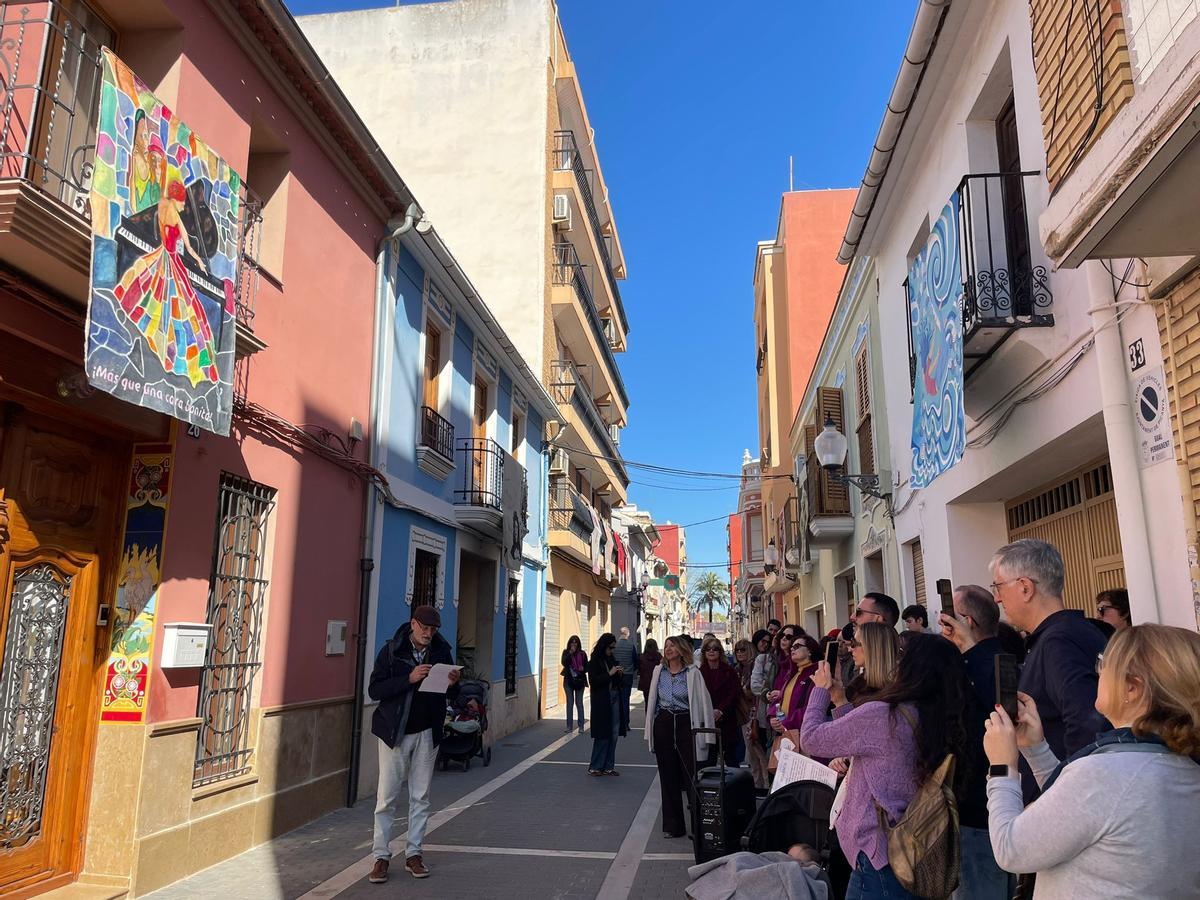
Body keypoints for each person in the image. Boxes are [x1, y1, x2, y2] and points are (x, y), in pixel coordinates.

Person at [983, 624, 1200, 898]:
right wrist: (1036, 750)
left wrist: (1002, 767)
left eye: (1104, 664)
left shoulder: (1107, 774)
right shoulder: (1178, 765)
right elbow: (1084, 814)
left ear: (1132, 688)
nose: (1097, 672)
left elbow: (1010, 849)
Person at [802, 634, 970, 900]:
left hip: (878, 852)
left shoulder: (884, 714)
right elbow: (873, 747)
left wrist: (820, 690)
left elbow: (811, 739)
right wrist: (841, 701)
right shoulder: (936, 716)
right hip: (914, 848)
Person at [989, 539, 1109, 797]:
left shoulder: (1058, 642)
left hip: (1066, 807)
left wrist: (1068, 801)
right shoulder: (1071, 633)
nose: (997, 598)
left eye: (998, 586)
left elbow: (1088, 724)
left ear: (1024, 588)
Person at [367, 605, 462, 883]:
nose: (428, 634)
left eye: (433, 630)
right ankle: (381, 857)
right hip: (396, 732)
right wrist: (408, 679)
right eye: (424, 628)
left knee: (421, 797)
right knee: (386, 798)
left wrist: (454, 683)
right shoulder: (392, 651)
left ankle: (414, 855)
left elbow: (450, 694)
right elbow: (375, 689)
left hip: (427, 732)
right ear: (413, 624)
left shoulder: (442, 652)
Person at [939, 585, 1011, 900]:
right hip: (973, 810)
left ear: (966, 621)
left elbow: (1005, 711)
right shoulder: (965, 662)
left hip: (984, 813)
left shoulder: (998, 659)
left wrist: (967, 646)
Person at [646, 635, 716, 838]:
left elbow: (705, 703)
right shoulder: (659, 671)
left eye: (672, 645)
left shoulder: (693, 672)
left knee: (692, 775)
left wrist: (708, 734)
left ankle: (698, 827)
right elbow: (653, 700)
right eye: (666, 645)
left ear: (681, 649)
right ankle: (673, 826)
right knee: (668, 775)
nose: (668, 649)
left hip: (687, 723)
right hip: (664, 722)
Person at [587, 633, 625, 776]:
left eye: (614, 648)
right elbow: (594, 682)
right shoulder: (595, 661)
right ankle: (596, 766)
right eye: (610, 647)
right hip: (602, 700)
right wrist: (609, 674)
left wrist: (619, 674)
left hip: (614, 698)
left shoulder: (612, 659)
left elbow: (617, 683)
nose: (612, 650)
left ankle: (608, 766)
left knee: (614, 733)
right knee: (603, 733)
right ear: (604, 646)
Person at [699, 636, 742, 766]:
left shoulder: (729, 671)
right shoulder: (699, 673)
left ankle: (733, 786)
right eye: (708, 649)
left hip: (727, 719)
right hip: (707, 719)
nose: (711, 651)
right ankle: (709, 785)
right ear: (704, 653)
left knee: (730, 758)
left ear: (720, 652)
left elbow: (734, 693)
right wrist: (710, 711)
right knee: (708, 758)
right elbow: (698, 696)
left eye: (715, 649)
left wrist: (721, 710)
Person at [735, 637, 769, 788]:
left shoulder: (755, 666)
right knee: (752, 754)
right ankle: (757, 785)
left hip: (755, 713)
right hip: (744, 714)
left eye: (743, 649)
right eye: (737, 650)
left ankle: (766, 785)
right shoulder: (737, 669)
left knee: (760, 752)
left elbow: (754, 691)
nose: (739, 653)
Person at [771, 634, 820, 735]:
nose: (792, 649)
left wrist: (788, 723)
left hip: (802, 732)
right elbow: (780, 699)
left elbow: (812, 707)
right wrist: (773, 717)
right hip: (786, 732)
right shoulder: (793, 673)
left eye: (797, 647)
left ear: (809, 651)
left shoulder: (816, 674)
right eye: (792, 647)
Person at [843, 622, 899, 707]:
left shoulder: (892, 695)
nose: (850, 649)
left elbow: (851, 720)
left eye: (854, 643)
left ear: (871, 647)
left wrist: (840, 701)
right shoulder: (858, 687)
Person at [613, 626, 640, 735]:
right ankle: (625, 724)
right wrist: (632, 670)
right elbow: (635, 660)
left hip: (616, 676)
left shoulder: (615, 646)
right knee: (625, 700)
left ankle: (617, 722)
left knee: (616, 700)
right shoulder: (631, 646)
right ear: (627, 634)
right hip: (628, 675)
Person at [560, 635, 588, 734]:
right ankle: (569, 727)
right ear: (569, 643)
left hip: (580, 681)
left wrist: (583, 669)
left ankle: (581, 727)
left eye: (576, 642)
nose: (574, 644)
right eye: (572, 642)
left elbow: (587, 667)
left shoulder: (583, 654)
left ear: (578, 644)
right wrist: (570, 653)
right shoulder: (566, 652)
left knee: (579, 703)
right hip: (569, 681)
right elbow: (564, 663)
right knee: (570, 703)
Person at [637, 637, 662, 707]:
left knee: (647, 703)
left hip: (645, 684)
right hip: (657, 683)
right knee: (657, 704)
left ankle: (648, 717)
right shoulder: (659, 657)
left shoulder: (641, 657)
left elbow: (639, 669)